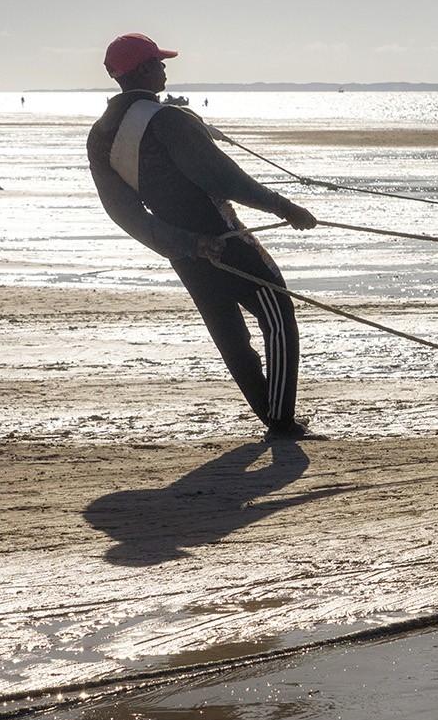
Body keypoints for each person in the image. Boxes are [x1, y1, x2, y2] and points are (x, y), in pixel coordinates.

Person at [86, 33, 318, 440]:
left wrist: (180, 244)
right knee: (278, 315)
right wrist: (284, 207)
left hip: (184, 251)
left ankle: (273, 417)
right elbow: (222, 178)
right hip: (225, 238)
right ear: (142, 70)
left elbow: (123, 213)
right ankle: (281, 421)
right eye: (158, 62)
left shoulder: (100, 134)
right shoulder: (168, 120)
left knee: (228, 332)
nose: (164, 67)